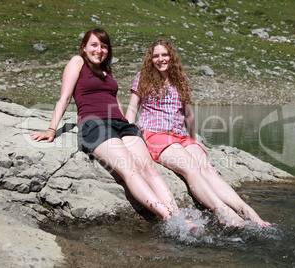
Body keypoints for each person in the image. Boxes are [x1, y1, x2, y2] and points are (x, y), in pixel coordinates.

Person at [31, 28, 180, 221]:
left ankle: (180, 215)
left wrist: (128, 125)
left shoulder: (106, 71)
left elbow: (115, 101)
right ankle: (167, 216)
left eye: (104, 46)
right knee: (129, 168)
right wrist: (52, 130)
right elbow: (65, 97)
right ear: (84, 47)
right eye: (94, 45)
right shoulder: (77, 62)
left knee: (149, 169)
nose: (99, 50)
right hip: (94, 125)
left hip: (121, 125)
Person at [126, 39, 270, 227]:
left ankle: (246, 210)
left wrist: (193, 141)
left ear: (171, 56)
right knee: (190, 168)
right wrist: (128, 134)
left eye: (164, 54)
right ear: (150, 59)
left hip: (181, 135)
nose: (160, 59)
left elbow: (189, 114)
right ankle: (222, 211)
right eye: (156, 56)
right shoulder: (142, 77)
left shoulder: (181, 78)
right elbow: (132, 107)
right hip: (155, 134)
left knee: (208, 169)